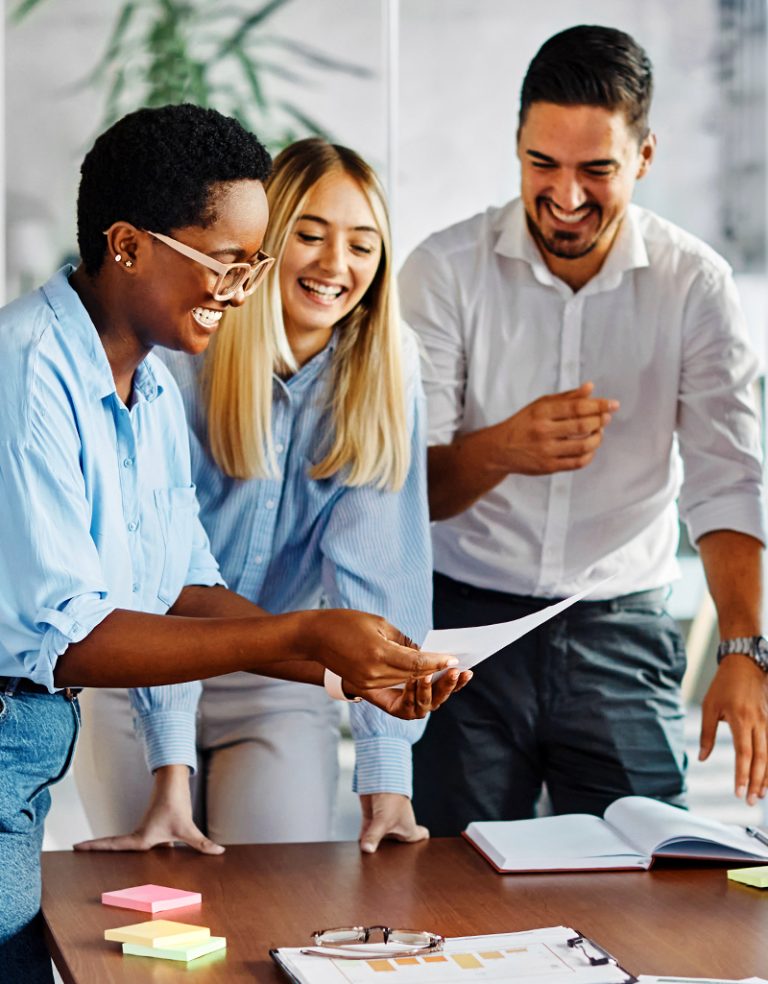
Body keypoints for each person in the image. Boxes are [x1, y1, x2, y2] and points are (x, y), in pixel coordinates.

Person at [0, 105, 465, 982]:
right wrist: (301, 636)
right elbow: (76, 636)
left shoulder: (146, 392)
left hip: (33, 738)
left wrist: (352, 665)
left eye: (254, 263)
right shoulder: (30, 376)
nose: (242, 287)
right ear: (129, 246)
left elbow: (180, 585)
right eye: (225, 262)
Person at [400, 25, 767, 836]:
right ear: (518, 147)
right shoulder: (443, 272)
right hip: (465, 627)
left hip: (620, 626)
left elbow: (727, 479)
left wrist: (743, 652)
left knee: (649, 882)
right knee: (454, 889)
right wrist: (503, 449)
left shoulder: (694, 285)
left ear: (643, 157)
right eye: (544, 164)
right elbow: (403, 493)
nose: (566, 195)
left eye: (596, 169)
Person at [73, 137, 447, 855]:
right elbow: (162, 582)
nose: (336, 265)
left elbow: (380, 582)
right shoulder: (183, 355)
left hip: (278, 682)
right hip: (141, 678)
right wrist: (169, 772)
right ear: (261, 246)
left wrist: (386, 776)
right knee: (153, 913)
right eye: (309, 235)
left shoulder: (385, 375)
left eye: (363, 245)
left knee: (276, 899)